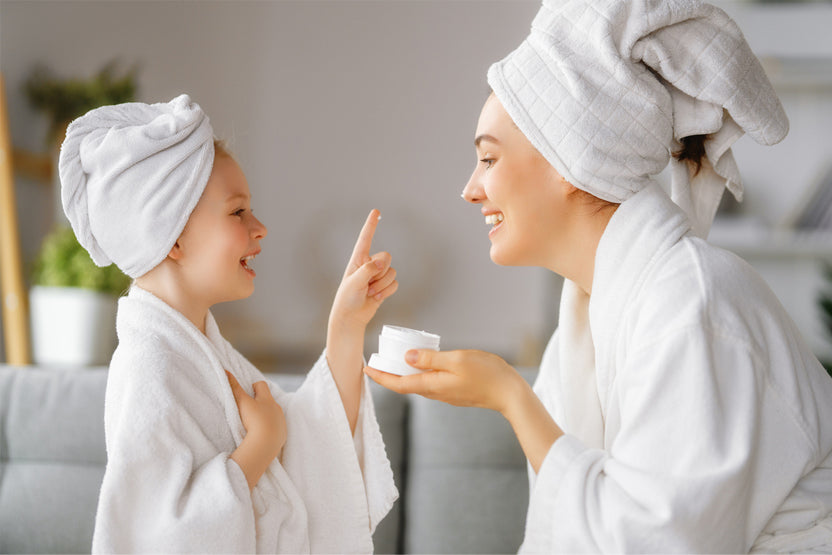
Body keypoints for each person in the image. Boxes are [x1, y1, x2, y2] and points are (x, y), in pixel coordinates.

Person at [365, 0, 832, 552]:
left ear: (568, 161)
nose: (470, 189)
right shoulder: (589, 322)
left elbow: (655, 543)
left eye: (488, 160)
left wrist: (511, 397)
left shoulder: (691, 303)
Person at [59, 94, 398, 553]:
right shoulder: (149, 367)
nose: (260, 228)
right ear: (173, 236)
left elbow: (308, 443)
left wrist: (346, 324)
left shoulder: (201, 350)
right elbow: (159, 536)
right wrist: (259, 446)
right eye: (238, 211)